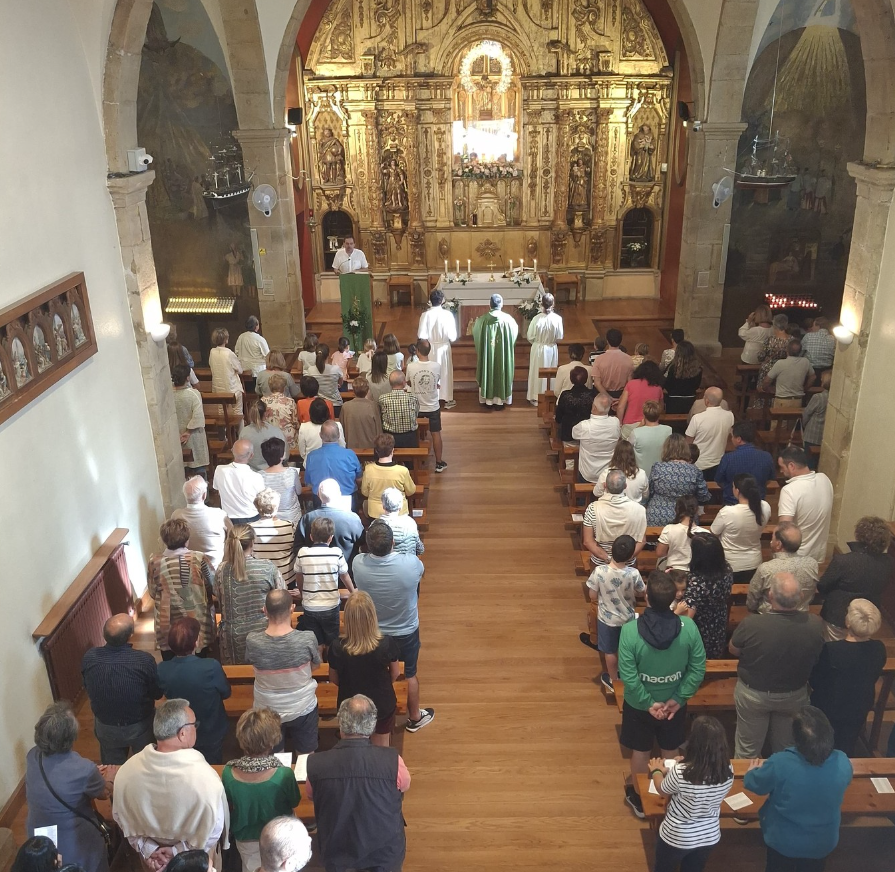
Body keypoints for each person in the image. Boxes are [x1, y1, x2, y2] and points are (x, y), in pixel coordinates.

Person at [618, 572, 707, 819]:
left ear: (646, 597)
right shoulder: (688, 626)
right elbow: (698, 667)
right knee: (670, 749)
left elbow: (628, 675)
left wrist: (648, 703)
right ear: (673, 598)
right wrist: (678, 698)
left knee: (640, 750)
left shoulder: (629, 631)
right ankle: (671, 794)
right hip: (672, 705)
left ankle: (638, 795)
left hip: (639, 705)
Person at [112, 699, 229, 870]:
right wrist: (176, 852)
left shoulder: (126, 772)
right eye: (194, 724)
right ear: (182, 733)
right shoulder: (206, 780)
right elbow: (213, 830)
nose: (196, 728)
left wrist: (150, 849)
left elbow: (121, 818)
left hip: (153, 861)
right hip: (194, 860)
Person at [306, 696, 410, 872]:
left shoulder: (317, 763)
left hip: (338, 850)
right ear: (372, 725)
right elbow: (404, 786)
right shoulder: (392, 760)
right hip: (384, 852)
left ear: (341, 723)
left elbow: (311, 795)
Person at [743, 706, 852, 872]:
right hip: (822, 841)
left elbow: (755, 784)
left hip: (783, 840)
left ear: (796, 738)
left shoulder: (781, 762)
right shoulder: (843, 761)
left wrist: (751, 773)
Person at [729, 572, 825, 757]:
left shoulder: (752, 624)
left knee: (747, 748)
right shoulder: (814, 624)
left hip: (754, 693)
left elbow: (734, 649)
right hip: (793, 694)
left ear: (770, 595)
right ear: (801, 597)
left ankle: (746, 783)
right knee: (786, 748)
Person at [353, 522, 433, 732]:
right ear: (393, 543)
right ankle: (415, 717)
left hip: (373, 631)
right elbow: (420, 575)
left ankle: (367, 718)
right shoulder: (411, 563)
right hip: (405, 630)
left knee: (372, 673)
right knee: (410, 673)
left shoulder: (358, 563)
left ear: (368, 546)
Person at [25, 703, 111, 872]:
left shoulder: (32, 756)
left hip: (39, 838)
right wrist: (110, 779)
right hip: (76, 844)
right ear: (70, 737)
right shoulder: (84, 769)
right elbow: (104, 793)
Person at [647, 716, 734, 872]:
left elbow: (662, 788)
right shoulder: (727, 770)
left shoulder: (682, 772)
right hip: (709, 835)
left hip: (677, 836)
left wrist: (656, 770)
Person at [222, 710, 303, 872]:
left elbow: (229, 803)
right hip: (278, 837)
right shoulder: (283, 774)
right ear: (271, 742)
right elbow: (295, 801)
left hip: (245, 838)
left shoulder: (228, 772)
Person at [246, 590, 322, 754]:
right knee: (306, 757)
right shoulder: (307, 638)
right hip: (303, 707)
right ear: (292, 608)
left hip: (267, 709)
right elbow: (316, 666)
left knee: (275, 760)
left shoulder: (253, 640)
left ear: (265, 610)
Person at [810, 599, 887, 755]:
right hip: (859, 705)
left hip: (829, 707)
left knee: (822, 747)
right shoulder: (879, 649)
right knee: (846, 746)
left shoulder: (831, 650)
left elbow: (815, 680)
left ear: (849, 622)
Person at [82, 614, 162, 765]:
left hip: (106, 726)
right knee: (146, 764)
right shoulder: (143, 660)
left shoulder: (90, 658)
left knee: (113, 770)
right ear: (130, 635)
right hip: (140, 726)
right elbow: (157, 693)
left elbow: (87, 685)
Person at [329, 592, 402, 746]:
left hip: (351, 705)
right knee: (381, 747)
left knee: (353, 748)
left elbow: (334, 679)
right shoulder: (386, 643)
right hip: (382, 703)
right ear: (372, 616)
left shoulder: (337, 646)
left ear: (347, 618)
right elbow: (395, 673)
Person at [157, 618, 231, 764]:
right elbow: (226, 692)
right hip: (211, 728)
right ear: (196, 643)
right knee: (212, 763)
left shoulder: (162, 668)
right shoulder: (211, 666)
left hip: (180, 729)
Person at [580, 535, 645, 692]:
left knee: (610, 651)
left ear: (611, 550)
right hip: (628, 618)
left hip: (607, 619)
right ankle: (626, 674)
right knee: (626, 649)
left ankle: (613, 679)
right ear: (630, 556)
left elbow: (592, 595)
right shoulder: (634, 573)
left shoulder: (599, 571)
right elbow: (642, 591)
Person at [215, 524, 285, 665]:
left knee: (236, 681)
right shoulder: (267, 567)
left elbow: (217, 594)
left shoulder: (222, 569)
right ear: (252, 542)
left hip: (232, 637)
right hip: (263, 632)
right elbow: (281, 595)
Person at [147, 518, 215, 661]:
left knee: (169, 658)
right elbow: (212, 584)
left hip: (167, 622)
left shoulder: (154, 561)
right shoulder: (198, 558)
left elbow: (153, 592)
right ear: (187, 540)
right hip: (196, 620)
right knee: (199, 657)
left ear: (164, 540)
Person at [816, 515, 893, 640]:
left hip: (837, 615)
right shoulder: (889, 562)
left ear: (860, 536)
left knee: (832, 648)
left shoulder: (843, 561)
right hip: (867, 617)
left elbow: (823, 585)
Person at [294, 516, 355, 650]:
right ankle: (331, 663)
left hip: (310, 606)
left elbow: (299, 576)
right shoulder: (336, 553)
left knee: (316, 641)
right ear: (330, 538)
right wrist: (353, 592)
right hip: (331, 605)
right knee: (332, 640)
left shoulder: (303, 553)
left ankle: (319, 661)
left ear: (311, 536)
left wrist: (303, 593)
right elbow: (344, 575)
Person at [675, 532, 734, 659]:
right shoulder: (727, 570)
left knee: (699, 657)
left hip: (701, 626)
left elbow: (686, 619)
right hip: (718, 619)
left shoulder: (696, 582)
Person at [710, 474, 771, 584]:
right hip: (754, 562)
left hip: (730, 564)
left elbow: (713, 533)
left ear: (737, 491)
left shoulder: (727, 512)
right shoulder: (765, 507)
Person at [777, 446, 834, 562]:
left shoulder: (789, 490)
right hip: (817, 554)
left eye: (782, 467)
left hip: (796, 556)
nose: (780, 471)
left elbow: (785, 529)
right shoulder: (825, 479)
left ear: (791, 466)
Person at [746, 523, 818, 614]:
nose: (771, 541)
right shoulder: (812, 564)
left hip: (769, 618)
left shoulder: (766, 569)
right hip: (801, 615)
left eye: (772, 538)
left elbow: (752, 600)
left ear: (778, 544)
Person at [582, 469, 647, 567]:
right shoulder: (639, 510)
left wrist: (608, 559)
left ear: (605, 486)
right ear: (625, 486)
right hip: (627, 565)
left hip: (601, 564)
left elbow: (588, 541)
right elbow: (642, 541)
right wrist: (623, 560)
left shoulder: (593, 508)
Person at [293, 479, 364, 567]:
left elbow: (298, 547)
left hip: (316, 571)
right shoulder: (352, 518)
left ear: (318, 495)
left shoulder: (307, 518)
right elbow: (362, 542)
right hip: (346, 571)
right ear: (339, 494)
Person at [646, 434, 711, 526]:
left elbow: (650, 492)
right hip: (685, 515)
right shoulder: (694, 470)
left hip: (657, 514)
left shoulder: (657, 467)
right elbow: (704, 496)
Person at [172, 477, 231, 570]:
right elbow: (233, 535)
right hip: (216, 568)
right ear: (204, 495)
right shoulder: (219, 515)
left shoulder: (176, 516)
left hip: (189, 570)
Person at [714, 421, 776, 505]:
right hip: (757, 503)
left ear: (738, 439)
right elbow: (769, 479)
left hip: (732, 503)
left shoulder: (728, 458)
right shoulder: (767, 456)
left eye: (732, 436)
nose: (731, 439)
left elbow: (719, 480)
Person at [406, 339, 446, 471]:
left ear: (417, 351)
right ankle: (439, 462)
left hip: (416, 406)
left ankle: (417, 460)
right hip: (432, 406)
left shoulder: (411, 366)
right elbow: (436, 382)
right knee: (436, 433)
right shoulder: (436, 366)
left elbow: (409, 383)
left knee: (415, 433)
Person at [473, 294, 518, 408]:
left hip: (488, 356)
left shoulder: (482, 320)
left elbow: (476, 335)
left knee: (488, 368)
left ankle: (487, 401)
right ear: (501, 304)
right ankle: (500, 401)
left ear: (490, 305)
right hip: (502, 355)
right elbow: (514, 335)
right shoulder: (509, 320)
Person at [417, 290, 459, 408]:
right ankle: (447, 398)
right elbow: (453, 337)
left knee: (431, 372)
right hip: (444, 347)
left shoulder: (425, 315)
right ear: (442, 301)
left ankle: (432, 397)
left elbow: (421, 335)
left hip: (430, 348)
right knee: (444, 372)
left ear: (430, 301)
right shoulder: (448, 315)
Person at [361, 433, 416, 519]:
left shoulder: (368, 469)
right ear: (392, 450)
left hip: (375, 513)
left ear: (376, 451)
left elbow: (364, 492)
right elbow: (411, 491)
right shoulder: (402, 471)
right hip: (398, 512)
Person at [303, 419, 362, 498]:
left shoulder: (311, 457)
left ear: (320, 435)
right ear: (338, 435)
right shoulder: (350, 454)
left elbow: (309, 483)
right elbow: (359, 479)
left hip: (320, 499)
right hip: (347, 498)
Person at [684, 388, 733, 481]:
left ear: (706, 401)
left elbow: (688, 443)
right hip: (719, 462)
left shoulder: (697, 418)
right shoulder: (730, 416)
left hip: (699, 463)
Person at [572, 393, 622, 483]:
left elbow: (574, 434)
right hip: (608, 473)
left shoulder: (585, 426)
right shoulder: (615, 423)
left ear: (594, 407)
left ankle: (582, 497)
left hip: (588, 473)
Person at [213, 439, 265, 522]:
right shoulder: (257, 477)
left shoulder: (220, 470)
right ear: (251, 455)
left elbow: (218, 492)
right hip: (252, 517)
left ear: (232, 451)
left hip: (228, 519)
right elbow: (261, 501)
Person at [250, 490, 295, 585]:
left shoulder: (249, 528)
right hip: (285, 578)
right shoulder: (287, 526)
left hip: (259, 578)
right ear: (277, 507)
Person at [526, 293, 563, 405]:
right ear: (553, 304)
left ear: (542, 304)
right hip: (551, 348)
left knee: (536, 372)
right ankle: (549, 396)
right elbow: (560, 337)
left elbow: (530, 336)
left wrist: (538, 343)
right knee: (549, 373)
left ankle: (535, 396)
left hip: (538, 348)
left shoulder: (536, 319)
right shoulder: (557, 319)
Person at [171, 365, 209, 477]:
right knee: (198, 466)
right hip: (193, 436)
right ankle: (201, 491)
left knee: (183, 469)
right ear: (188, 378)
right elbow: (198, 416)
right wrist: (188, 432)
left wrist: (179, 434)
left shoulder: (170, 395)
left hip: (177, 436)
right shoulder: (193, 394)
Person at [761, 339, 814, 411]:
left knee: (778, 422)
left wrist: (767, 389)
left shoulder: (780, 363)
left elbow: (767, 381)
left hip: (782, 399)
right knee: (793, 421)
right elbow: (813, 377)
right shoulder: (805, 362)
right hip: (798, 400)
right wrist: (805, 388)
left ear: (787, 350)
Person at [260, 438, 302, 527]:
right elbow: (299, 491)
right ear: (282, 456)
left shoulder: (259, 476)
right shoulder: (291, 472)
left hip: (269, 519)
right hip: (291, 518)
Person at [616, 360, 664, 439]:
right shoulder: (658, 388)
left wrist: (620, 424)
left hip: (629, 425)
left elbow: (621, 407)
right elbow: (660, 408)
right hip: (650, 426)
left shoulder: (631, 384)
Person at [655, 496, 705, 571]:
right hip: (696, 573)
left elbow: (659, 553)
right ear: (697, 510)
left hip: (673, 572)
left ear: (677, 510)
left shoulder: (669, 529)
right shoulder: (705, 533)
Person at [592, 439, 649, 504]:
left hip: (612, 509)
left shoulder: (607, 473)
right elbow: (646, 495)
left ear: (615, 455)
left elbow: (597, 493)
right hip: (633, 511)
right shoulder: (642, 474)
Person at [753, 314, 790, 409]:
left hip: (767, 371)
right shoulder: (791, 340)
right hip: (784, 371)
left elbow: (760, 357)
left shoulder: (769, 340)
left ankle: (760, 413)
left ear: (774, 325)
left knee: (763, 394)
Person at [591, 328, 634, 410]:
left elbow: (597, 383)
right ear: (620, 341)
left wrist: (609, 397)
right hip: (622, 395)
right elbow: (630, 383)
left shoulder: (599, 359)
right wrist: (621, 398)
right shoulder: (628, 359)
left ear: (607, 341)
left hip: (603, 396)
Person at [240, 400, 288, 470]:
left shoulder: (244, 432)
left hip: (251, 473)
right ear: (265, 414)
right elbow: (285, 455)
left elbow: (240, 455)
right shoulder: (276, 431)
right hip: (273, 472)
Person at [554, 365, 596, 443]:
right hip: (587, 434)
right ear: (586, 379)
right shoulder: (592, 395)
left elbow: (558, 417)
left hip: (568, 434)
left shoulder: (565, 395)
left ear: (571, 379)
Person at [379, 370, 420, 448]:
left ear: (390, 383)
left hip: (389, 437)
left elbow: (381, 416)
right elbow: (416, 414)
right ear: (404, 383)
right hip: (410, 437)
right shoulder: (413, 398)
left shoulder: (382, 398)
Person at [630, 400, 672, 478]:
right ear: (659, 415)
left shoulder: (636, 432)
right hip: (662, 474)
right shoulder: (668, 430)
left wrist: (639, 426)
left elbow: (626, 446)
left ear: (644, 415)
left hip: (642, 475)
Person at [339, 377, 382, 449]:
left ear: (353, 390)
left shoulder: (346, 406)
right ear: (367, 390)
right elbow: (378, 429)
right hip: (370, 448)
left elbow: (342, 428)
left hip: (351, 446)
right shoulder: (373, 406)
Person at [378, 487, 424, 556]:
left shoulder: (376, 525)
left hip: (384, 565)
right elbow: (420, 549)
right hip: (408, 564)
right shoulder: (410, 523)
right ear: (401, 506)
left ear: (383, 506)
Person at [209, 327, 244, 415]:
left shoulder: (212, 352)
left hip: (218, 390)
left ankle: (223, 428)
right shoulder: (229, 353)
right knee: (237, 411)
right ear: (226, 339)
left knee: (222, 412)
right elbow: (240, 370)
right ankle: (240, 428)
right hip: (232, 389)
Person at [662, 341, 702, 414]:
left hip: (673, 402)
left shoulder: (673, 368)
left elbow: (667, 385)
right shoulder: (698, 369)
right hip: (690, 401)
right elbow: (697, 385)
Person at [261, 375, 299, 449]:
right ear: (284, 388)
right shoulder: (290, 401)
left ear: (270, 387)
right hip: (287, 437)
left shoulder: (263, 401)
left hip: (269, 435)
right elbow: (295, 422)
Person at [304, 345, 343, 414]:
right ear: (329, 355)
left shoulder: (310, 370)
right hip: (335, 403)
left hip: (318, 405)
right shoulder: (336, 369)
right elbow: (340, 383)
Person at [802, 369, 831, 461]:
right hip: (824, 434)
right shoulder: (834, 398)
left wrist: (804, 425)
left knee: (809, 461)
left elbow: (806, 414)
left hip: (812, 435)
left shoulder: (818, 397)